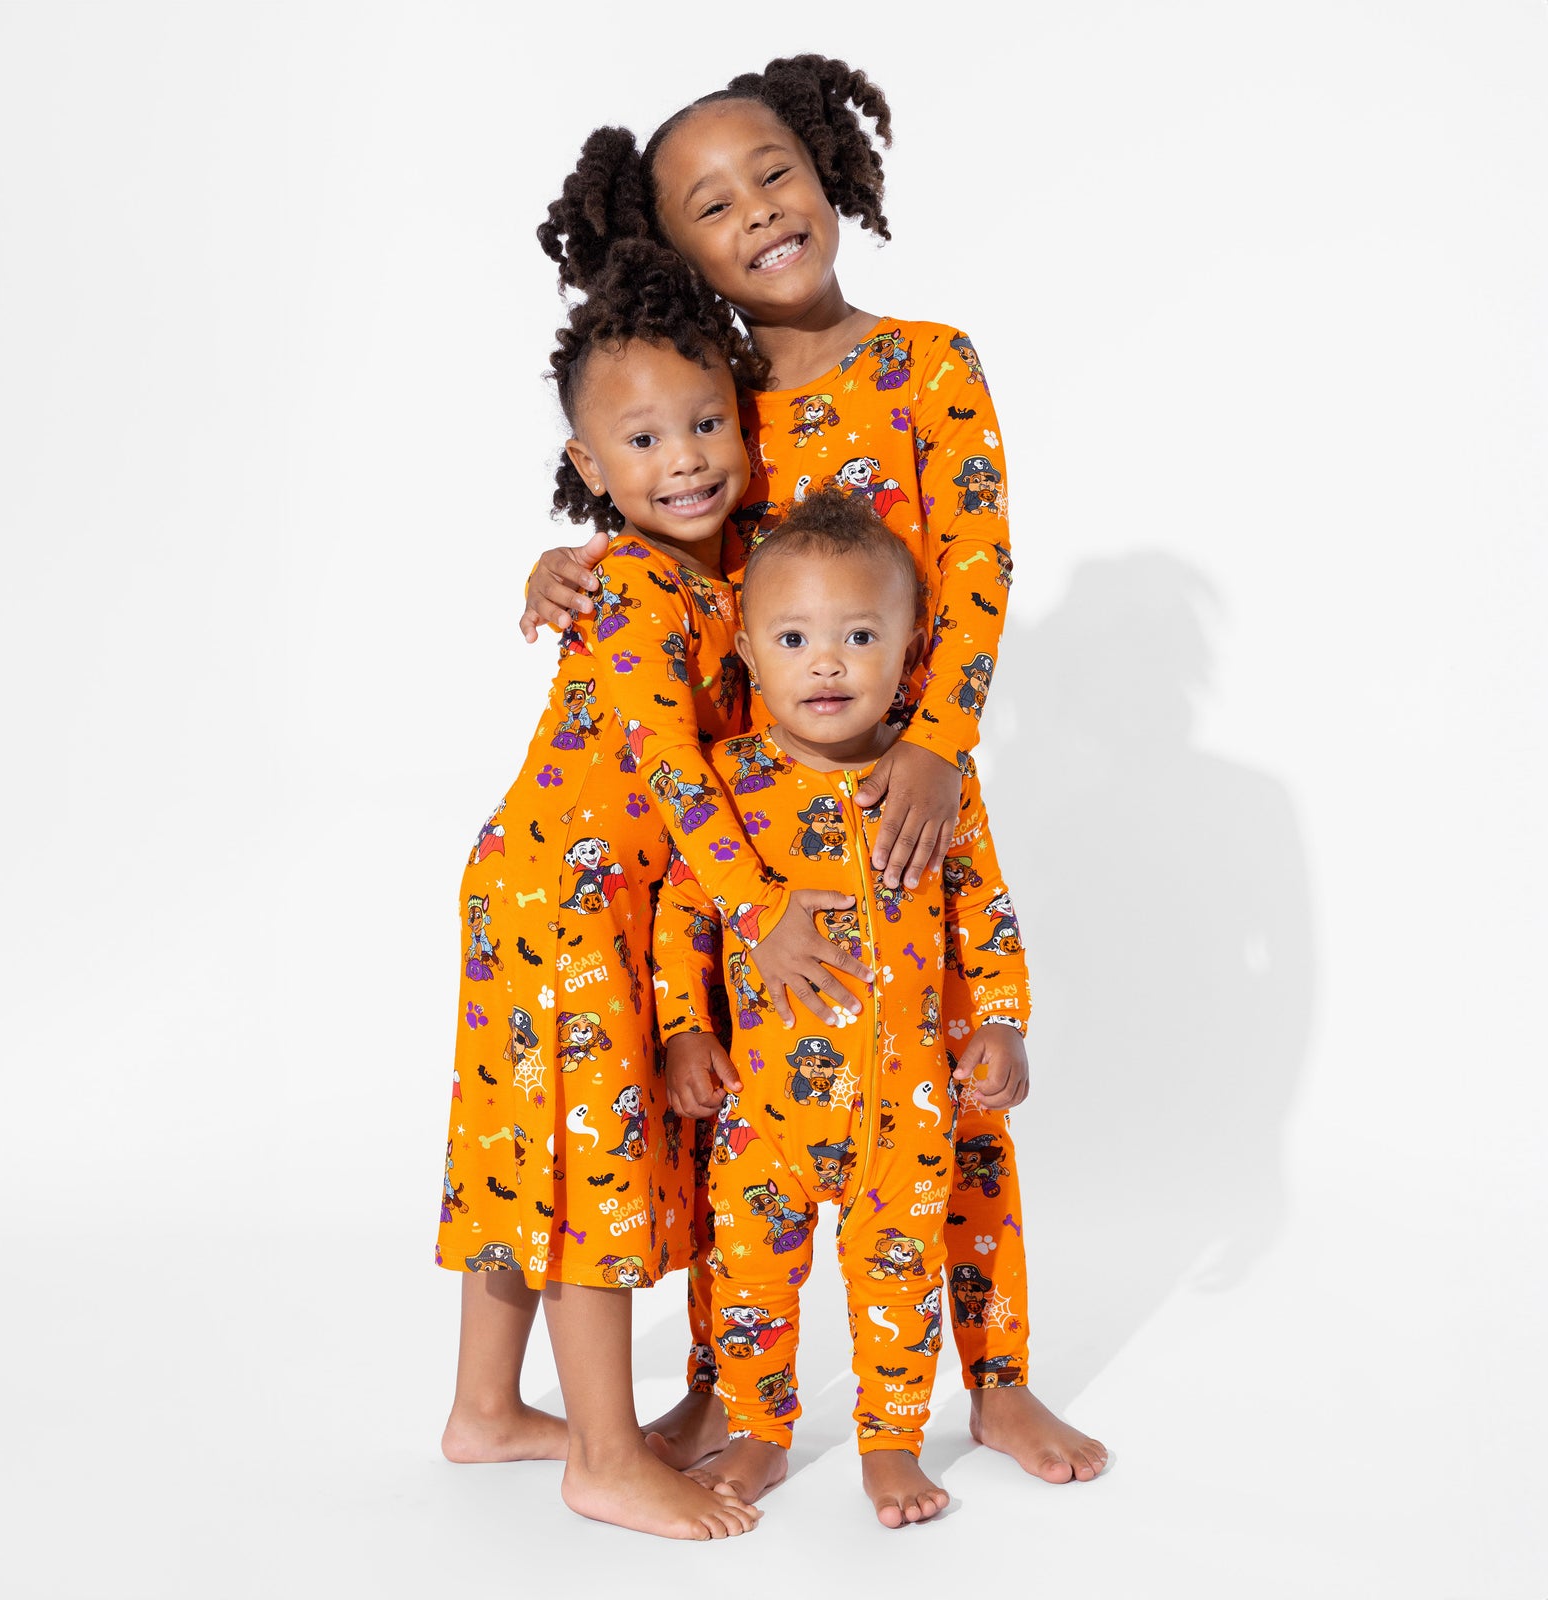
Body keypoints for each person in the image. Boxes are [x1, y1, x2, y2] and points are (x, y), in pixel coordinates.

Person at [525, 53, 1106, 1484]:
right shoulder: (711, 399)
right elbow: (657, 524)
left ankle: (998, 1384)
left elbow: (978, 566)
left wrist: (939, 744)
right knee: (741, 1126)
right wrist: (560, 566)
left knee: (957, 1109)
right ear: (679, 252)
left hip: (908, 786)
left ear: (831, 171)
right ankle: (739, 1396)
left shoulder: (931, 364)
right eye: (714, 205)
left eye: (775, 173)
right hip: (753, 817)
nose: (760, 212)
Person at [435, 239, 812, 1540]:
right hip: (564, 904)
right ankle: (603, 1453)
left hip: (551, 893)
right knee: (585, 1163)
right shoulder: (642, 584)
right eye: (644, 441)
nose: (687, 459)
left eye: (707, 424)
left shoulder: (716, 578)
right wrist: (760, 907)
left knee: (522, 1152)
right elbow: (668, 770)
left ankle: (486, 1410)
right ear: (591, 470)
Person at [654, 489, 1034, 1527]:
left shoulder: (937, 785)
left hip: (904, 1105)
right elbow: (684, 914)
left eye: (859, 636)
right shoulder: (729, 786)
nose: (826, 663)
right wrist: (685, 1031)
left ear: (909, 648)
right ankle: (756, 1431)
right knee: (747, 1278)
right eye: (794, 639)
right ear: (748, 652)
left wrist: (1002, 1019)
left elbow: (984, 910)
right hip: (761, 1106)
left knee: (896, 1279)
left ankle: (892, 1444)